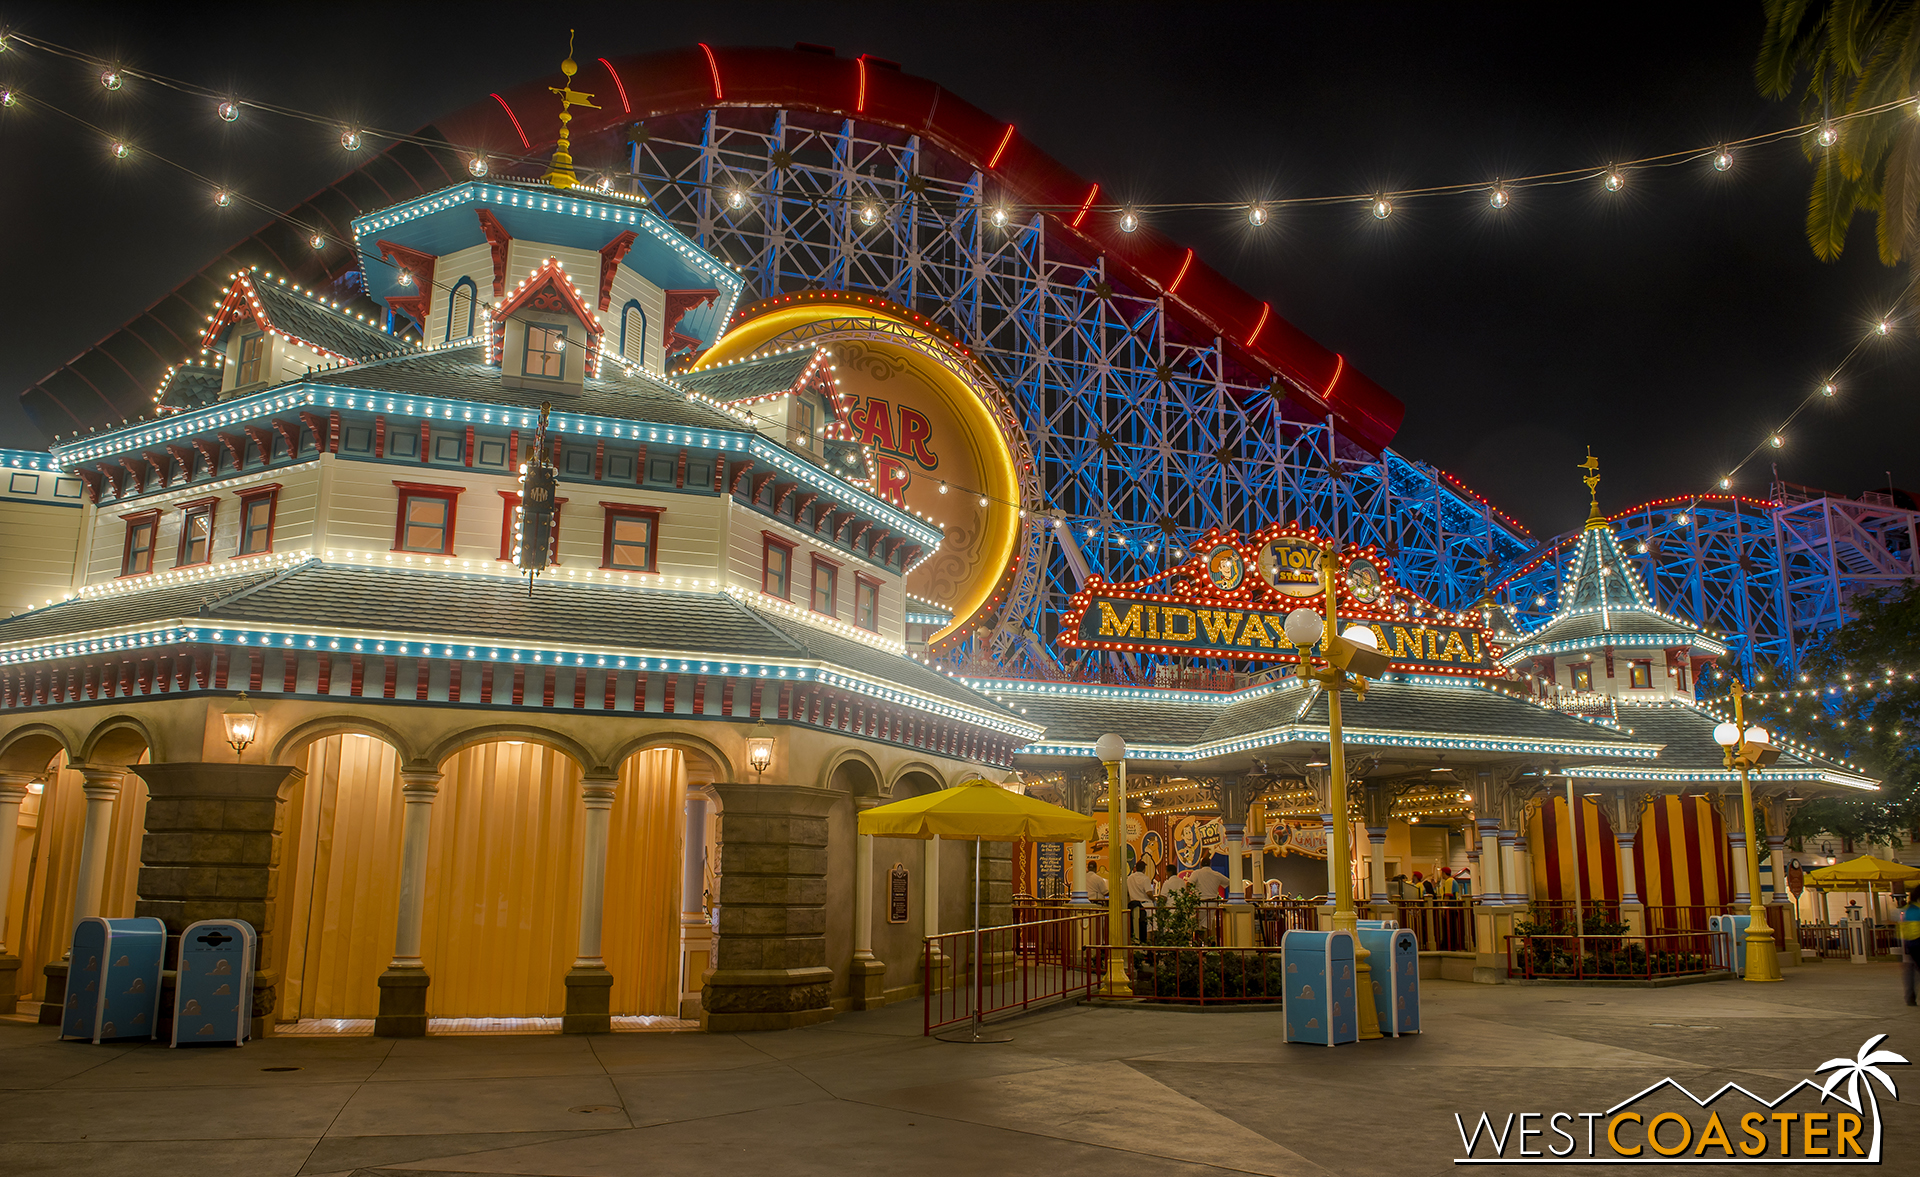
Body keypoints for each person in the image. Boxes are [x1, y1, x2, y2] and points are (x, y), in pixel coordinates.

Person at [1900, 889, 1920, 1007]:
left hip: (1911, 944)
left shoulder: (1908, 909)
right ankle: (1910, 995)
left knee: (1911, 971)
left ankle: (1910, 996)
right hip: (1917, 943)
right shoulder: (1916, 910)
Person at [1125, 859, 1154, 941]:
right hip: (1146, 905)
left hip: (1134, 906)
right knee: (1149, 927)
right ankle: (1147, 946)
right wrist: (1154, 899)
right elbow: (1148, 893)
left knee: (1135, 927)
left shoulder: (1129, 878)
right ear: (1144, 869)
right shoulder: (1145, 878)